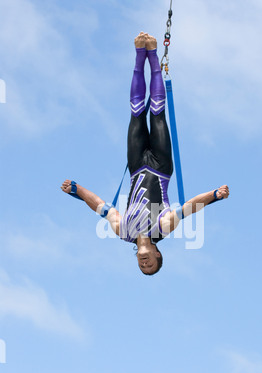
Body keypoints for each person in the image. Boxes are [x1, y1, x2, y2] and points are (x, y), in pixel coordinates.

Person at [61, 33, 230, 276]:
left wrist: (77, 189)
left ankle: (140, 54)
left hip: (137, 165)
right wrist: (215, 195)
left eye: (142, 267)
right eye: (151, 265)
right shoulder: (162, 228)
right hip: (161, 167)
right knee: (157, 114)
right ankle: (152, 53)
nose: (145, 265)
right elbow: (191, 206)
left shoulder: (123, 232)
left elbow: (99, 205)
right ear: (158, 254)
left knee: (136, 113)